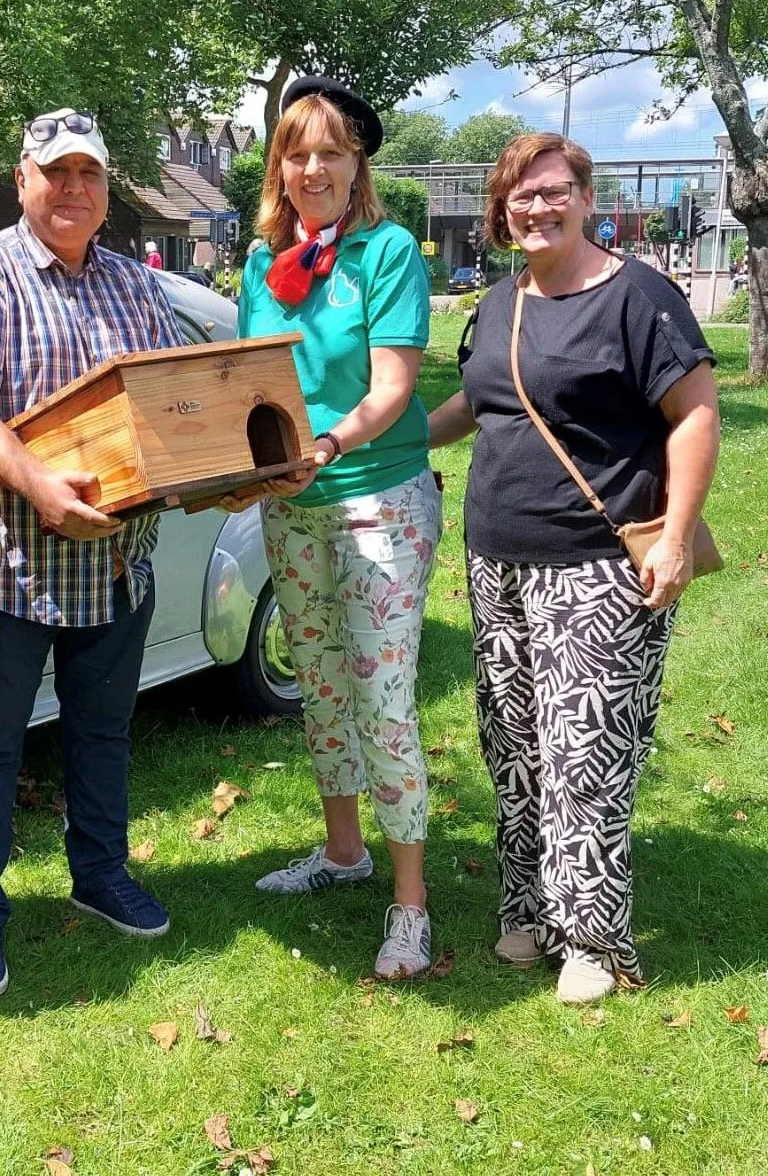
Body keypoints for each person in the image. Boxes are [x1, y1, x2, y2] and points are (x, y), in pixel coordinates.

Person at [426, 132, 720, 1004]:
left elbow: (695, 413)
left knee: (585, 751)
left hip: (598, 562)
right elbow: (478, 405)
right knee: (514, 746)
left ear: (587, 199)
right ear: (502, 209)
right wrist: (376, 437)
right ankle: (529, 908)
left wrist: (675, 537)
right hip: (497, 561)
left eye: (554, 191)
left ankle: (594, 938)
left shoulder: (640, 297)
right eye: (521, 195)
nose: (537, 207)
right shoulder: (500, 301)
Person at [0, 107, 185, 1000]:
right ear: (23, 176)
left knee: (103, 734)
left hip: (118, 566)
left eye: (91, 175)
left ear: (107, 190)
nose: (75, 189)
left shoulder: (135, 283)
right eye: (58, 172)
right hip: (16, 568)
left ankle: (100, 873)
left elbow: (177, 398)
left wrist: (225, 467)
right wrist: (36, 481)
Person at [231, 77, 444, 980]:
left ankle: (412, 906)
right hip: (294, 503)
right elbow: (249, 380)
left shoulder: (387, 252)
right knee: (321, 689)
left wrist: (329, 441)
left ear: (358, 164)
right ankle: (345, 853)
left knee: (384, 702)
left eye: (330, 151)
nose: (312, 166)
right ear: (279, 164)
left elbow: (392, 386)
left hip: (377, 499)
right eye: (296, 150)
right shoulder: (259, 261)